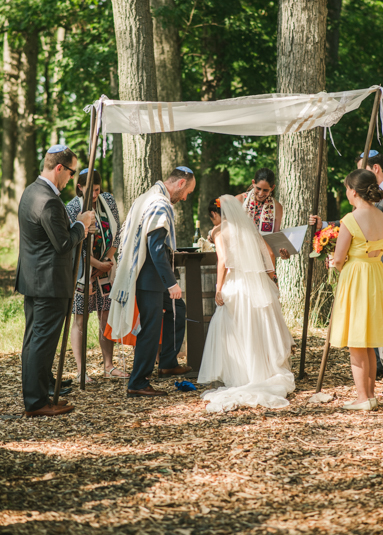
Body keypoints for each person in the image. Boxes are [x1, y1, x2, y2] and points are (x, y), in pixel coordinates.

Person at [16, 144, 95, 417]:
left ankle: (37, 394)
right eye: (71, 172)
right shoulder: (48, 200)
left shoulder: (30, 191)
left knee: (32, 341)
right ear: (59, 168)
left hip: (34, 279)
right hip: (49, 283)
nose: (71, 179)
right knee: (41, 343)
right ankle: (37, 403)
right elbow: (62, 243)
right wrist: (82, 225)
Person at [197, 196, 295, 412]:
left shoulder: (218, 231)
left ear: (215, 214)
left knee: (233, 328)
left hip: (236, 284)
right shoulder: (248, 226)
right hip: (257, 284)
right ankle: (264, 371)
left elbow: (222, 261)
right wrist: (272, 278)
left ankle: (242, 374)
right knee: (259, 325)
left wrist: (218, 288)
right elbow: (269, 253)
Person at [107, 167, 196, 397]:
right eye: (187, 192)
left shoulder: (146, 197)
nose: (185, 198)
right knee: (150, 328)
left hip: (146, 273)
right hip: (149, 276)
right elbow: (156, 248)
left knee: (177, 308)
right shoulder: (160, 203)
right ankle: (138, 382)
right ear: (180, 184)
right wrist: (171, 282)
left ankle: (167, 361)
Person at [328, 169, 383, 410]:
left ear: (353, 191)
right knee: (367, 340)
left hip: (357, 277)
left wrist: (334, 264)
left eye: (346, 188)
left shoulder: (350, 219)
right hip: (376, 275)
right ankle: (371, 396)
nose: (346, 192)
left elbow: (338, 259)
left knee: (357, 341)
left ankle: (362, 398)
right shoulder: (380, 215)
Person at [65, 169, 126, 382]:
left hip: (105, 269)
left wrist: (108, 260)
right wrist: (95, 264)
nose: (94, 195)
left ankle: (108, 365)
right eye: (90, 190)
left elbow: (118, 231)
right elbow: (73, 244)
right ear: (80, 187)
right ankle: (82, 370)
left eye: (97, 190)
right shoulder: (72, 207)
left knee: (105, 315)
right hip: (82, 271)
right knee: (80, 318)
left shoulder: (107, 200)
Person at [356, 150, 383, 289]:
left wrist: (378, 262)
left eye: (363, 170)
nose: (360, 176)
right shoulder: (369, 194)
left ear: (376, 168)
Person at [236, 168, 288, 269]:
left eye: (265, 190)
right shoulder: (239, 200)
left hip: (264, 263)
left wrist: (283, 253)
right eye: (258, 188)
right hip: (241, 259)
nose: (260, 193)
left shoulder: (277, 207)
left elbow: (275, 239)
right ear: (253, 183)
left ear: (272, 188)